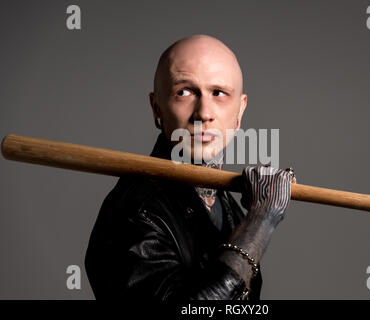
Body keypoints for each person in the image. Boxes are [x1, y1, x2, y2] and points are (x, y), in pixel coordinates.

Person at [85, 34, 296, 300]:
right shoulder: (137, 211)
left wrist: (253, 221)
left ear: (239, 111)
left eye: (219, 93)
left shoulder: (231, 210)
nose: (203, 112)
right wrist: (260, 223)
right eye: (184, 92)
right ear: (156, 108)